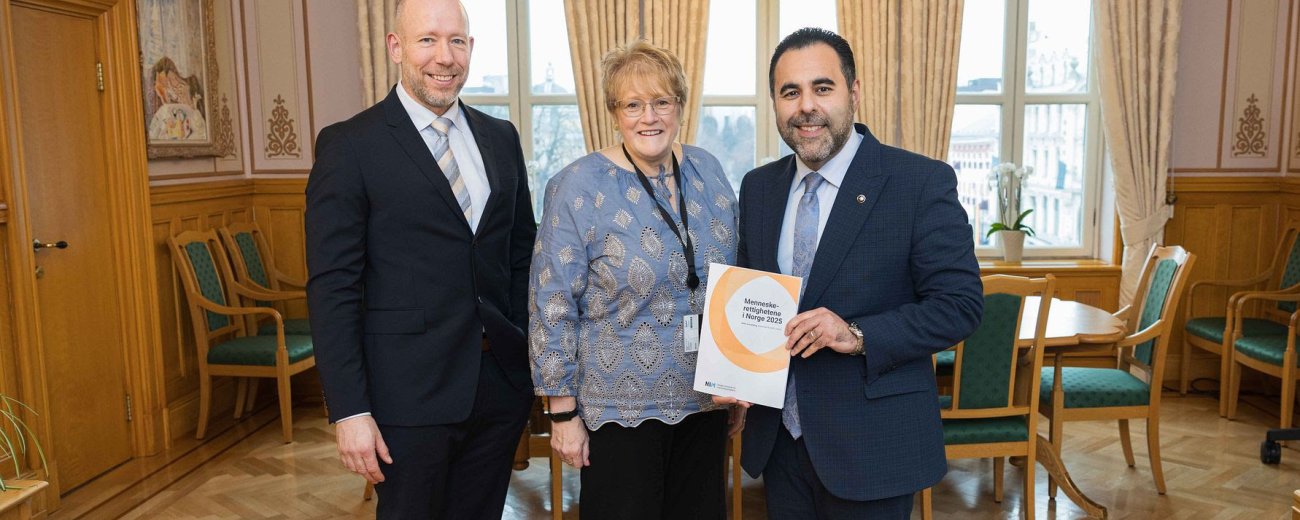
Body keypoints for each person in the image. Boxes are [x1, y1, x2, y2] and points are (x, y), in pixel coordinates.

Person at [715, 28, 983, 518]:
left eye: (822, 88)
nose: (806, 106)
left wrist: (857, 335)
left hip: (873, 445)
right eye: (790, 92)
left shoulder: (919, 182)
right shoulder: (759, 188)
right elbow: (752, 299)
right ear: (774, 102)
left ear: (854, 92)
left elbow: (960, 306)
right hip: (779, 445)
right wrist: (735, 373)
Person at [304, 0, 536, 517]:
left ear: (471, 48)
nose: (444, 56)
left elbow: (521, 257)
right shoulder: (349, 146)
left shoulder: (501, 139)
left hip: (498, 390)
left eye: (456, 41)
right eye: (427, 39)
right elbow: (333, 287)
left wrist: (523, 355)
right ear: (395, 47)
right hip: (404, 399)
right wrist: (350, 410)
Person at [529, 39, 745, 519]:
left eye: (662, 102)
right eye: (633, 105)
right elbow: (552, 303)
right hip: (617, 410)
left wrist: (739, 377)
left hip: (705, 402)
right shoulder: (576, 185)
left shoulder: (709, 171)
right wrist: (562, 413)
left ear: (680, 106)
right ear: (614, 112)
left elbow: (731, 281)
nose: (649, 117)